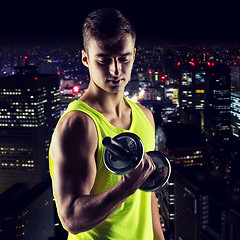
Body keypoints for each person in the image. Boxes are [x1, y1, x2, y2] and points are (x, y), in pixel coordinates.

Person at [49, 8, 165, 240]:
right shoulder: (78, 125)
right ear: (86, 59)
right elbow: (71, 218)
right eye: (103, 60)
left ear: (134, 55)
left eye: (124, 59)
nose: (115, 70)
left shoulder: (145, 116)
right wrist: (125, 187)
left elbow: (148, 198)